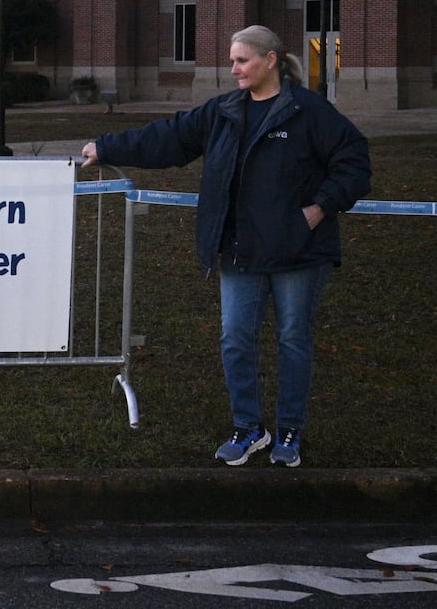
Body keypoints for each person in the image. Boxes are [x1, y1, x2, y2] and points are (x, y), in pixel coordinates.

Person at [78, 26, 371, 468]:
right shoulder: (224, 111)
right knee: (235, 339)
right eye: (232, 60)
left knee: (293, 340)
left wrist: (317, 210)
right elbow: (171, 137)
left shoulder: (308, 111)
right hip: (240, 250)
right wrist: (105, 146)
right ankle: (249, 428)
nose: (233, 69)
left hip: (298, 251)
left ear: (270, 60)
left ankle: (289, 432)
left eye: (242, 60)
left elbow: (354, 162)